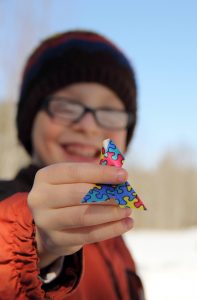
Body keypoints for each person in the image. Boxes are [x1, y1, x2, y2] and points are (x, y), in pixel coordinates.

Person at [0, 30, 145, 299]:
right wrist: (35, 244)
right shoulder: (7, 206)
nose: (88, 126)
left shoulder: (116, 236)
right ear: (30, 120)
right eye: (66, 105)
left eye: (109, 111)